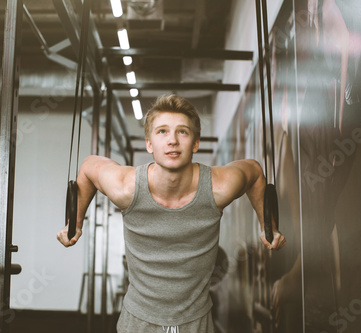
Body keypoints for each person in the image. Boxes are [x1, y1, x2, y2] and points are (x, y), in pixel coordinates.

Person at [57, 94, 286, 333]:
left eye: (182, 132)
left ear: (195, 143)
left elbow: (255, 172)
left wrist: (268, 227)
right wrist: (75, 224)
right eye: (162, 132)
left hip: (196, 322)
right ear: (149, 144)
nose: (173, 141)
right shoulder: (127, 187)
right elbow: (89, 167)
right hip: (137, 321)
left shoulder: (218, 187)